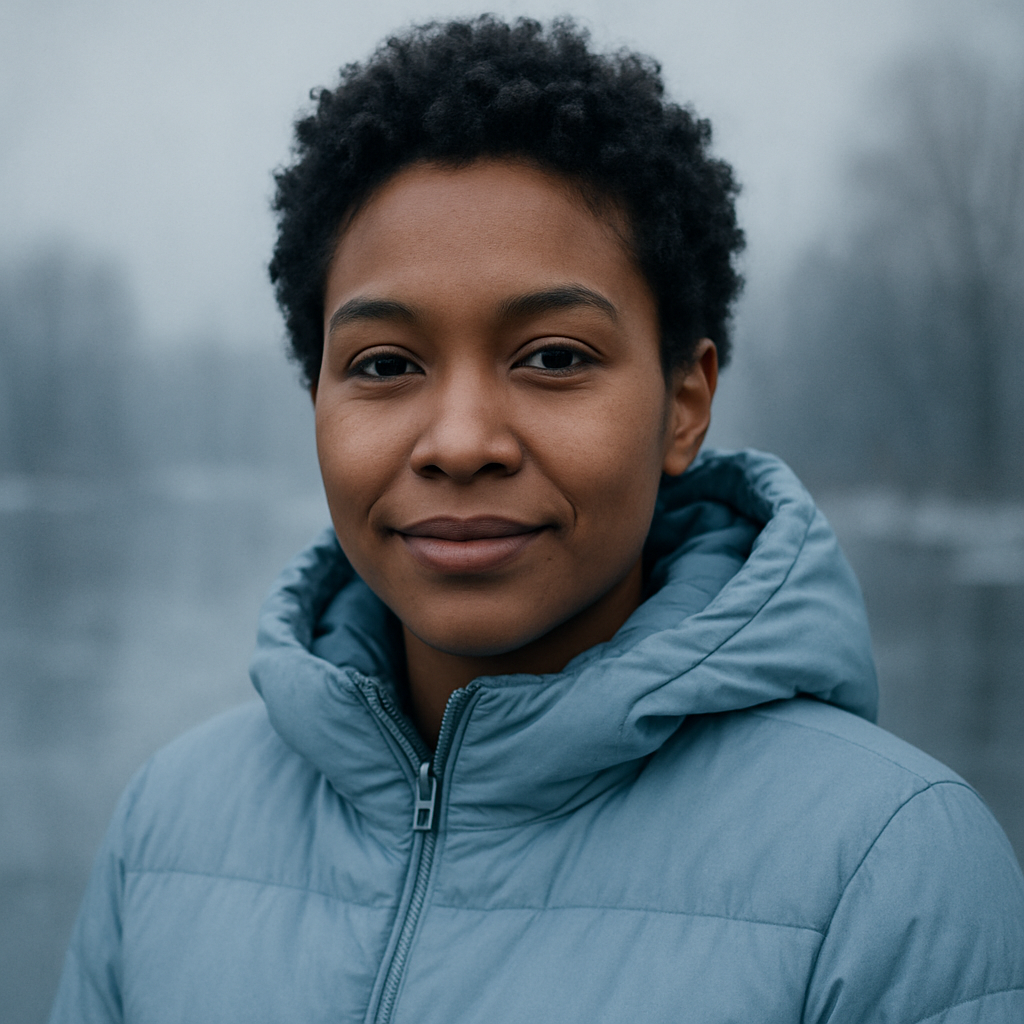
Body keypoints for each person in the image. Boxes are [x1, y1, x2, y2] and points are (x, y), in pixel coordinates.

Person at [50, 15, 1024, 1024]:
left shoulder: (888, 867)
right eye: (384, 365)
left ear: (682, 403)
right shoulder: (167, 827)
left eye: (553, 356)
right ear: (317, 405)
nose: (460, 440)